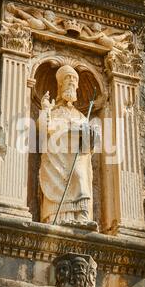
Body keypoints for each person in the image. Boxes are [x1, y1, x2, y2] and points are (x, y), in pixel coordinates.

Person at [38, 65, 95, 225]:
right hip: (56, 158)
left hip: (77, 158)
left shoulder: (82, 115)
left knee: (80, 177)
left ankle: (82, 217)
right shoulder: (54, 111)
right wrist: (45, 110)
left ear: (77, 86)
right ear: (60, 84)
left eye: (74, 79)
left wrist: (91, 134)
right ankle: (57, 218)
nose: (71, 81)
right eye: (68, 78)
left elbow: (91, 144)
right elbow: (43, 129)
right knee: (59, 182)